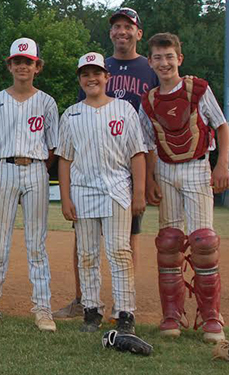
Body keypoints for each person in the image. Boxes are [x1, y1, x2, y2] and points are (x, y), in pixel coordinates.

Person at [55, 6, 160, 320]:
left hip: (123, 177)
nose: (121, 31)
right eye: (116, 26)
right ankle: (86, 304)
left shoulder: (148, 68)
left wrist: (143, 186)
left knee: (123, 245)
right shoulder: (77, 108)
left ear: (138, 32)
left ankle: (123, 307)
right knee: (86, 248)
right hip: (88, 179)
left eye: (128, 26)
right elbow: (66, 155)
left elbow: (140, 147)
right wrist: (66, 195)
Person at [139, 32, 229, 343]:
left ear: (179, 58)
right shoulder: (149, 101)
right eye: (158, 58)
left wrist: (222, 165)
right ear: (149, 62)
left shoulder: (197, 89)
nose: (164, 63)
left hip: (196, 166)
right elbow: (148, 143)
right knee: (169, 243)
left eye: (169, 56)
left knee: (204, 242)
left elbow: (221, 125)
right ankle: (171, 314)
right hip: (165, 169)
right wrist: (150, 178)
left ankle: (211, 316)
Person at [0, 38, 59, 332]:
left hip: (36, 169)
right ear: (9, 65)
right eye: (18, 61)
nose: (23, 66)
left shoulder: (47, 102)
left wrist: (35, 166)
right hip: (5, 169)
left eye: (29, 61)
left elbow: (52, 148)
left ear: (37, 66)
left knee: (37, 244)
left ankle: (42, 309)